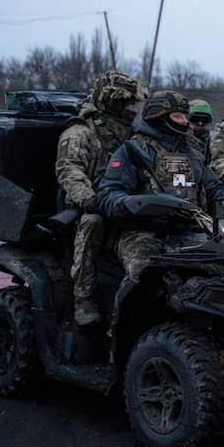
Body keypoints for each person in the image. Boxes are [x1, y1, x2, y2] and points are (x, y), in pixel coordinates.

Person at [97, 90, 224, 291]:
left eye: (185, 116)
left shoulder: (193, 153)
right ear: (158, 116)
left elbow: (216, 190)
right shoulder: (132, 150)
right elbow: (107, 195)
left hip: (191, 229)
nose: (185, 121)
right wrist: (131, 203)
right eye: (178, 116)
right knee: (145, 274)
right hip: (143, 232)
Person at [55, 71, 148, 326]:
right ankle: (83, 298)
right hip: (92, 206)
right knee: (92, 223)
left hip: (126, 204)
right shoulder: (81, 132)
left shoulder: (134, 134)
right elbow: (68, 169)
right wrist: (89, 199)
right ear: (108, 100)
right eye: (123, 102)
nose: (130, 109)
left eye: (133, 103)